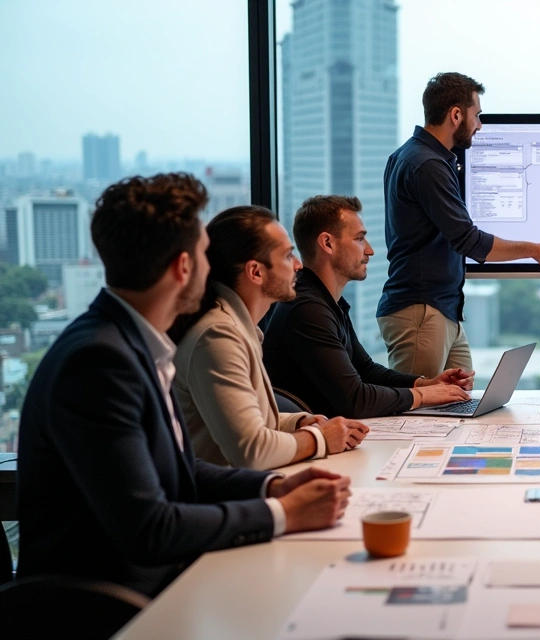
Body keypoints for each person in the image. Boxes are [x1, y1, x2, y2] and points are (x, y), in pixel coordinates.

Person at [16, 174, 352, 597]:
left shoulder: (131, 343)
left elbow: (179, 467)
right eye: (204, 256)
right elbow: (150, 528)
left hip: (160, 580)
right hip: (111, 605)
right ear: (184, 267)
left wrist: (271, 487)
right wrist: (281, 513)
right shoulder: (100, 362)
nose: (213, 271)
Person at [378, 72, 540, 377]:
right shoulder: (427, 165)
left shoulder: (411, 155)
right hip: (420, 312)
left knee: (460, 401)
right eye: (477, 115)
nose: (480, 125)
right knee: (418, 417)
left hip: (440, 309)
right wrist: (534, 250)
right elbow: (468, 240)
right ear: (456, 115)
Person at [170, 206, 369, 470]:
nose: (298, 265)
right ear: (255, 272)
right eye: (288, 256)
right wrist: (320, 438)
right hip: (224, 496)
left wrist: (297, 423)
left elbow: (250, 422)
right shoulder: (218, 336)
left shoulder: (237, 327)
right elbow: (251, 451)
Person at [262, 195, 472, 419]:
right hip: (321, 440)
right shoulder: (306, 310)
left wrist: (426, 383)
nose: (369, 250)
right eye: (360, 239)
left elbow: (366, 370)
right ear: (327, 243)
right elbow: (356, 400)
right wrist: (424, 395)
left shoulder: (326, 302)